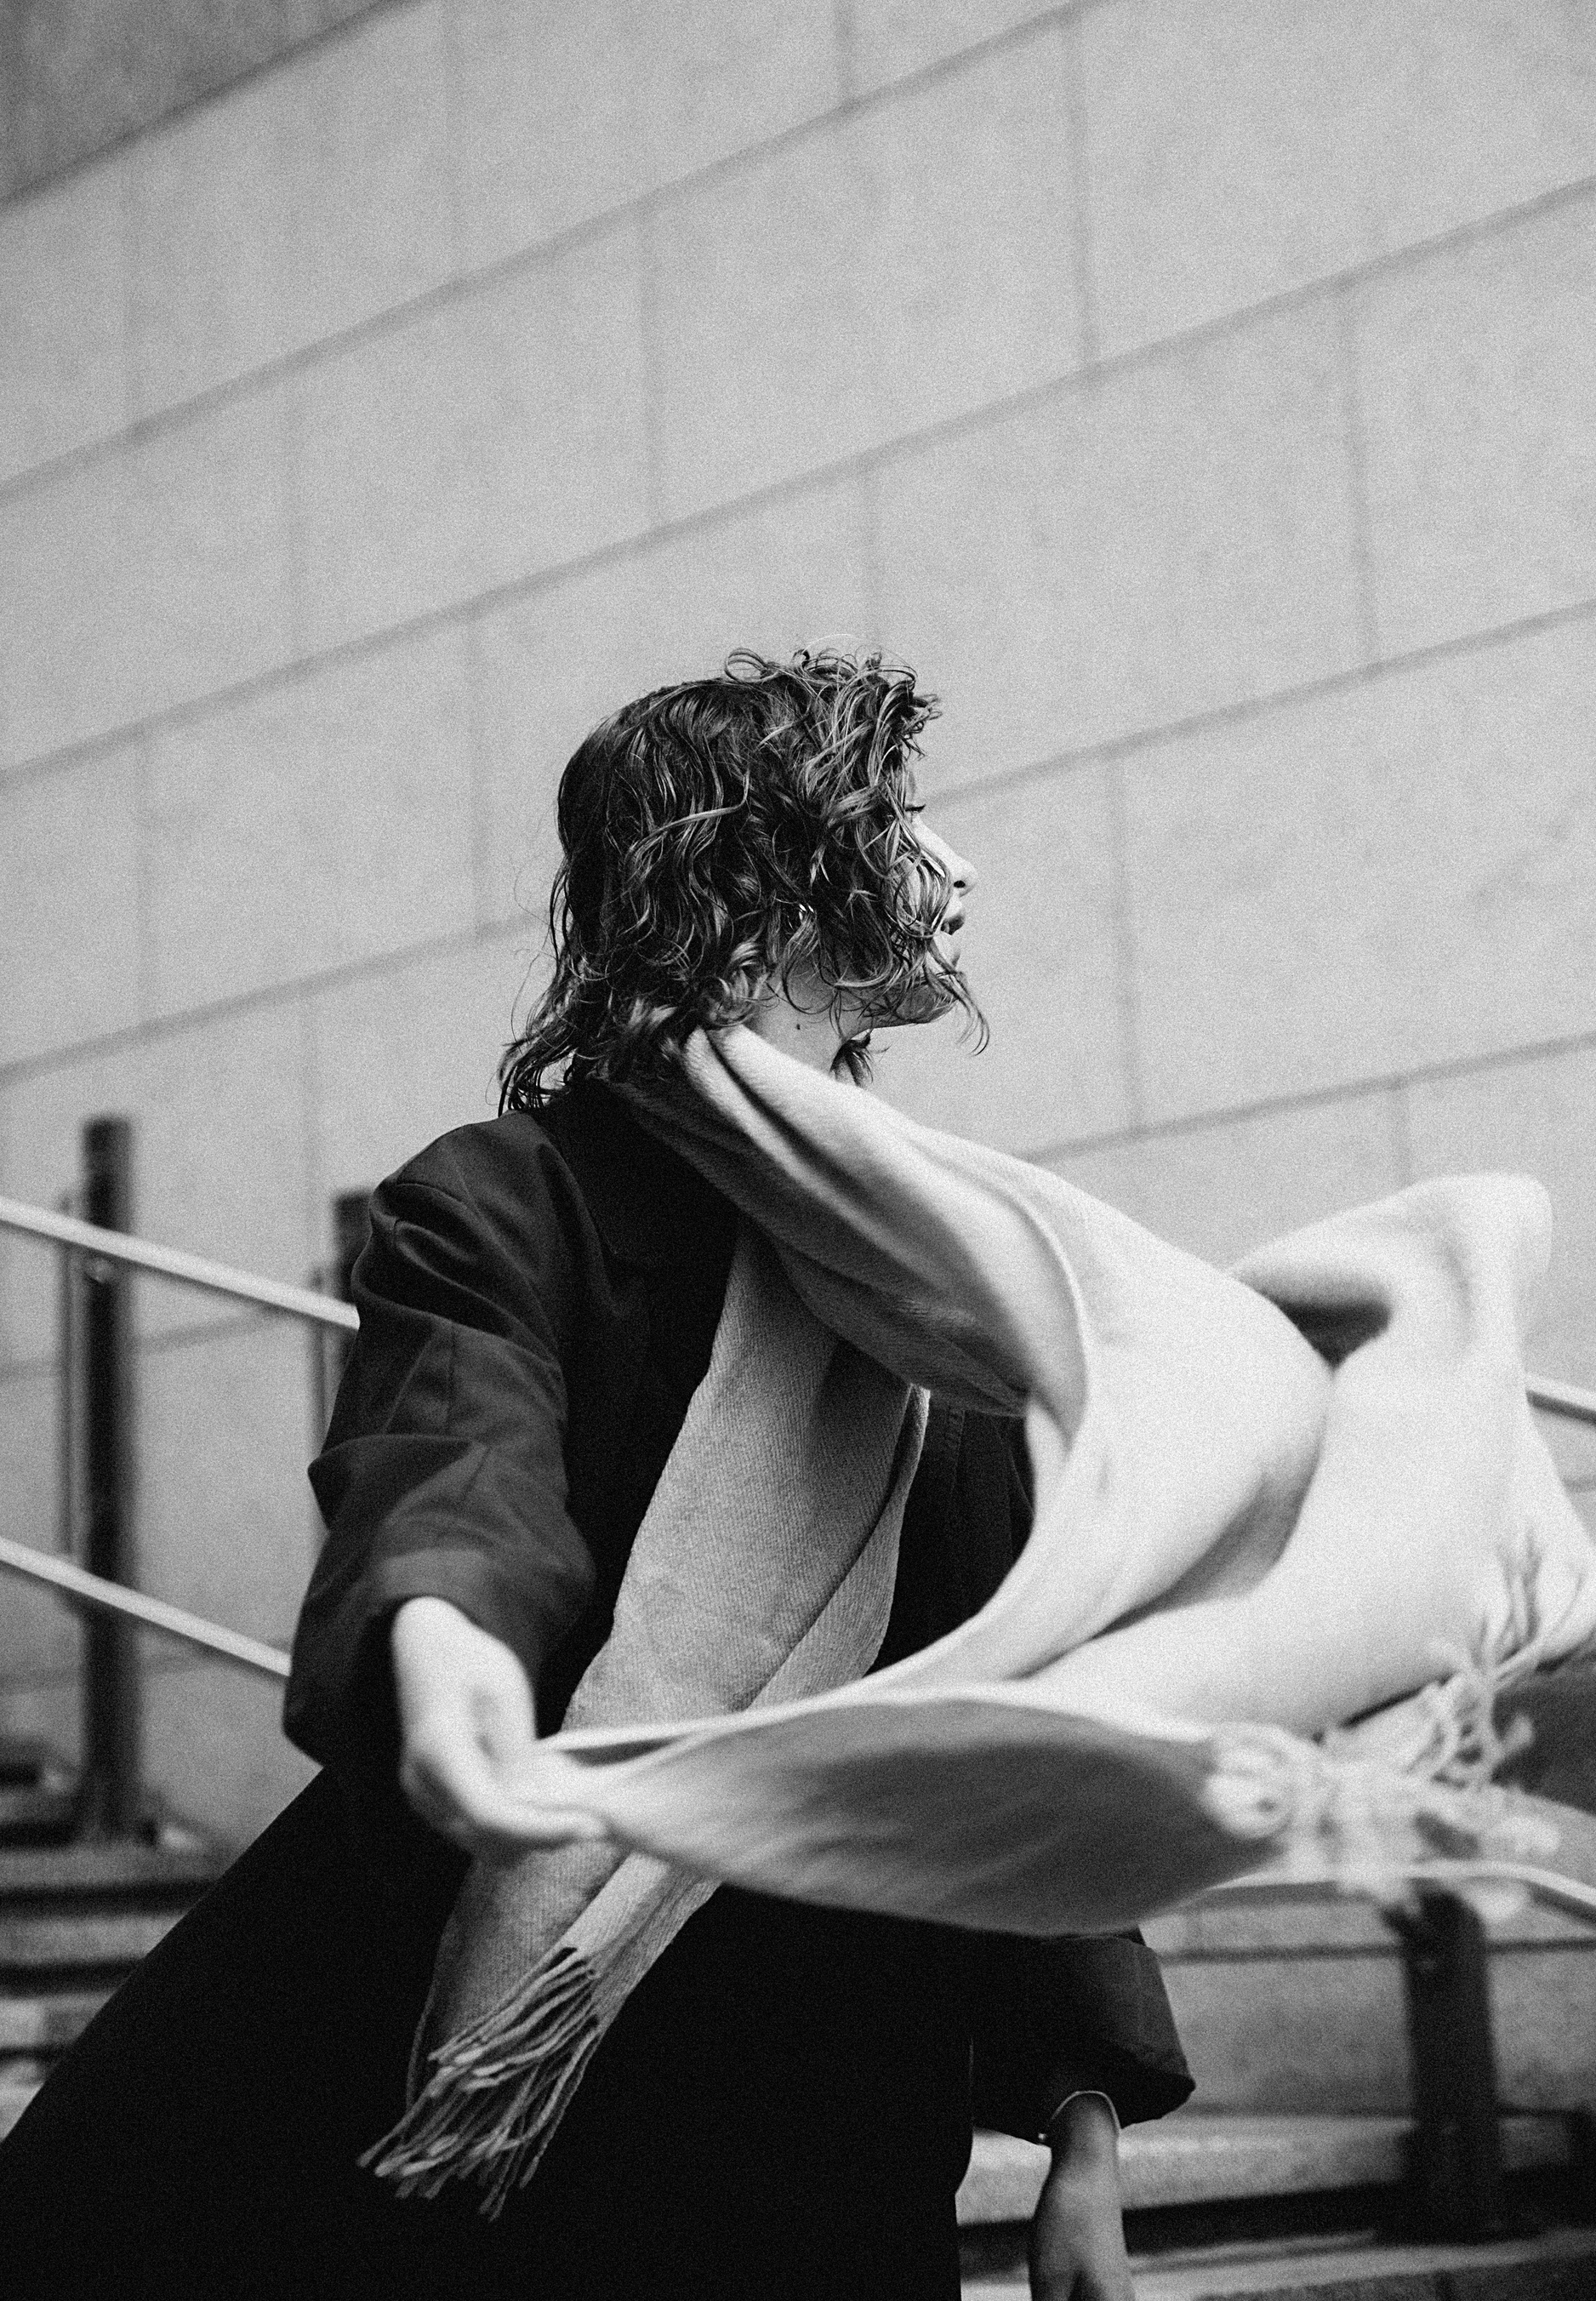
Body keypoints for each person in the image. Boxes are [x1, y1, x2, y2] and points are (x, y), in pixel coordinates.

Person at [0, 649, 1189, 2300]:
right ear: (759, 883)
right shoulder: (509, 1202)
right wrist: (444, 1638)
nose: (957, 866)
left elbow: (1017, 1712)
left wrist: (1083, 2128)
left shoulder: (952, 1283)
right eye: (897, 821)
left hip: (835, 2091)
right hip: (514, 2038)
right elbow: (451, 1451)